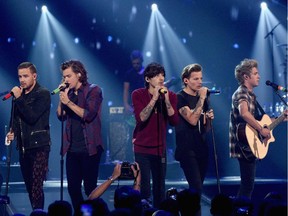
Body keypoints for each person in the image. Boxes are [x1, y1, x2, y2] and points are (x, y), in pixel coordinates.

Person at [229, 58, 287, 199]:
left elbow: (262, 123)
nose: (259, 76)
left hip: (249, 143)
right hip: (244, 144)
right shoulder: (242, 93)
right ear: (246, 77)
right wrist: (261, 130)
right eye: (255, 73)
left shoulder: (251, 95)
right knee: (247, 186)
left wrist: (281, 118)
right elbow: (244, 113)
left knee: (248, 185)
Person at [56, 60, 104, 212]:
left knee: (90, 189)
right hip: (71, 148)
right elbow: (60, 116)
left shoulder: (93, 90)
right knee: (73, 189)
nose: (66, 80)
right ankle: (80, 213)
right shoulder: (68, 93)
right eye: (64, 77)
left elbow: (88, 115)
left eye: (68, 76)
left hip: (89, 148)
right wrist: (61, 98)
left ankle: (92, 213)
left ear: (79, 74)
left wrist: (68, 102)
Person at [131, 62, 178, 208]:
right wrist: (154, 98)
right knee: (145, 189)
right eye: (157, 75)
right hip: (142, 149)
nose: (161, 78)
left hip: (159, 149)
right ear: (147, 79)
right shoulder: (138, 94)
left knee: (160, 187)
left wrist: (167, 101)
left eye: (163, 75)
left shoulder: (170, 95)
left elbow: (174, 121)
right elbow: (141, 118)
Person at [6, 62, 51, 210]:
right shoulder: (19, 95)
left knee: (36, 188)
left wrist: (19, 99)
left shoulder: (42, 93)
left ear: (34, 76)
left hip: (39, 147)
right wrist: (11, 131)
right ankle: (37, 212)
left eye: (25, 76)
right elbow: (15, 118)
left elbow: (32, 117)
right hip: (24, 148)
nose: (22, 80)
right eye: (20, 76)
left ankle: (38, 213)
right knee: (30, 187)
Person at [174, 63, 214, 215]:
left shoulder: (202, 99)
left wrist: (209, 119)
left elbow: (206, 128)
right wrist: (202, 98)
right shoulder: (179, 97)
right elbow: (191, 120)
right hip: (186, 147)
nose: (200, 82)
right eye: (196, 79)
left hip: (201, 147)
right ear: (186, 80)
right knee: (196, 186)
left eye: (201, 78)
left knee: (198, 188)